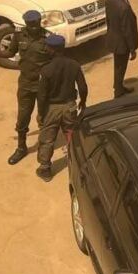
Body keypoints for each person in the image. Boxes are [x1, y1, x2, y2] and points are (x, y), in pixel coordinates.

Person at [35, 34, 87, 182]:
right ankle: (77, 162)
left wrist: (41, 113)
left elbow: (42, 95)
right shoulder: (74, 64)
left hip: (52, 108)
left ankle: (45, 168)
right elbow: (82, 87)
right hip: (70, 106)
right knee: (71, 134)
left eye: (48, 47)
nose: (46, 49)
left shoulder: (46, 70)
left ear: (52, 50)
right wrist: (82, 101)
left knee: (47, 138)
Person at [6, 10, 52, 165]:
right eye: (30, 25)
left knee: (44, 117)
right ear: (26, 24)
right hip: (25, 84)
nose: (33, 28)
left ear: (40, 22)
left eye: (36, 24)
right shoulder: (19, 36)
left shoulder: (48, 38)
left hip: (43, 85)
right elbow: (9, 53)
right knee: (22, 117)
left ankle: (44, 149)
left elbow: (56, 60)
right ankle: (21, 147)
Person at [105, 0, 138, 97]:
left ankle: (118, 86)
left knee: (118, 66)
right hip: (122, 44)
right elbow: (127, 31)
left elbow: (108, 19)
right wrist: (132, 49)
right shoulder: (123, 7)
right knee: (121, 67)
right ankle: (118, 92)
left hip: (113, 39)